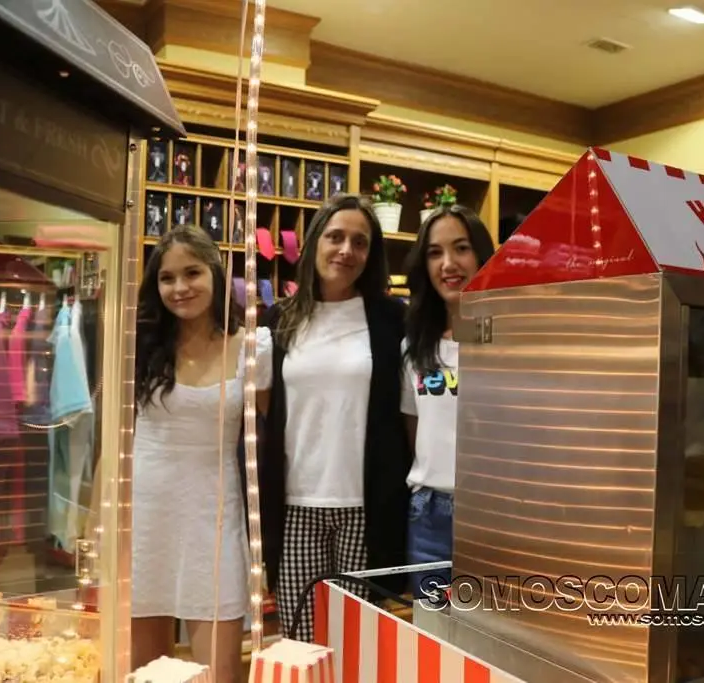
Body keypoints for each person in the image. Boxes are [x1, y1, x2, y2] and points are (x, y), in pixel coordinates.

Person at [259, 194, 412, 642]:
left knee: (358, 646)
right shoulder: (280, 319)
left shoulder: (392, 320)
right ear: (314, 243)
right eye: (336, 237)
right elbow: (268, 410)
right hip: (296, 507)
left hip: (365, 508)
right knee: (301, 644)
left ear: (371, 254)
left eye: (360, 242)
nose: (347, 250)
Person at [131, 225, 272, 682]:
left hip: (214, 519)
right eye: (167, 278)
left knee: (219, 673)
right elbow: (115, 441)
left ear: (215, 274)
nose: (180, 287)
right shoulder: (139, 347)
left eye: (192, 273)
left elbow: (268, 438)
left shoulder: (253, 347)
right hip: (144, 516)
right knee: (143, 673)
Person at [401, 205, 495, 598]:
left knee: (493, 629)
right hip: (429, 516)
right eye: (435, 253)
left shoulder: (506, 338)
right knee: (432, 629)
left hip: (493, 513)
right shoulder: (415, 345)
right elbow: (414, 428)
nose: (448, 264)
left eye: (461, 248)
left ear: (482, 255)